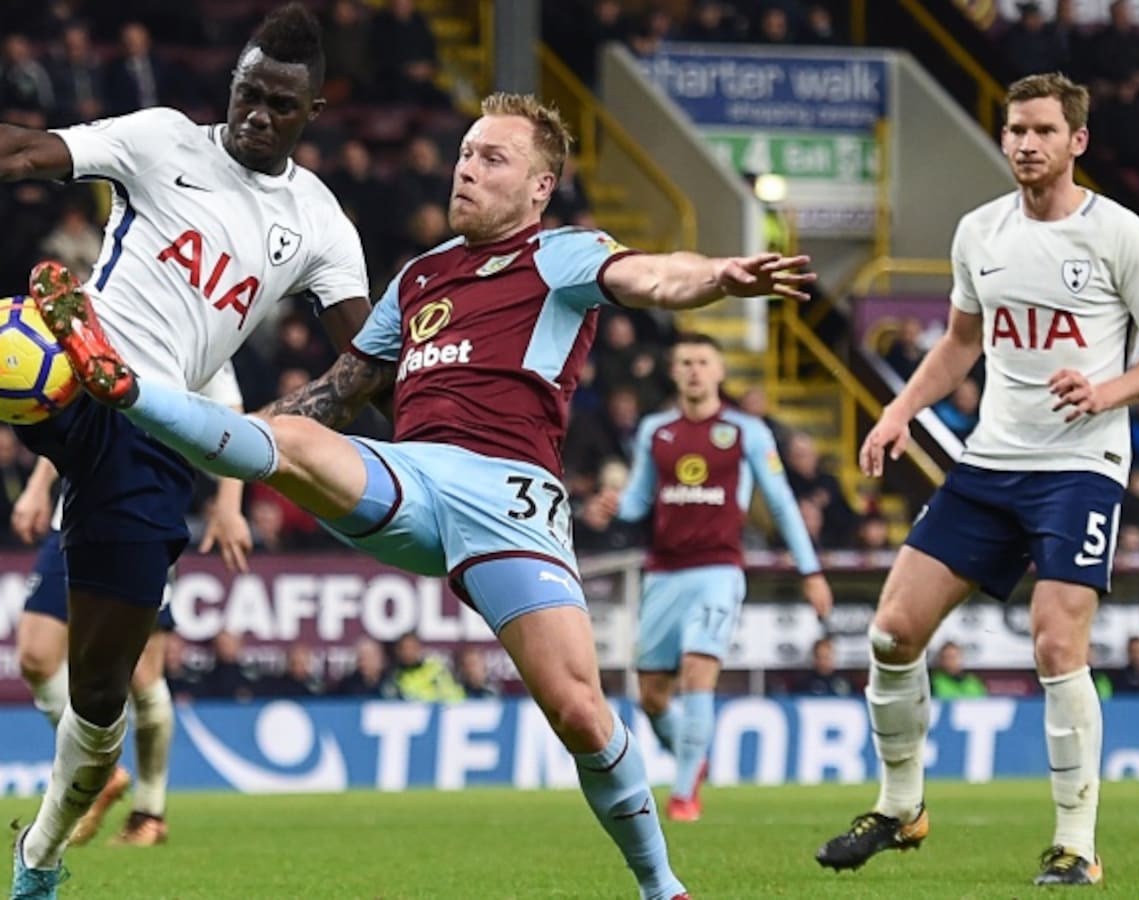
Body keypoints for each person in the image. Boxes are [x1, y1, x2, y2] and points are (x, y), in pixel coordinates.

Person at [30, 91, 819, 900]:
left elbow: (652, 275)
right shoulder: (419, 277)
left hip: (509, 502)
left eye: (492, 159)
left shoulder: (563, 254)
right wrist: (243, 443)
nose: (466, 169)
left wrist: (718, 275)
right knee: (297, 437)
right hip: (412, 479)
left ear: (540, 188)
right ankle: (126, 391)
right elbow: (336, 395)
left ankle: (661, 885)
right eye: (466, 153)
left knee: (581, 712)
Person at [2, 6, 372, 897]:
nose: (256, 114)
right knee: (16, 346)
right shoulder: (162, 138)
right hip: (71, 370)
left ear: (313, 110)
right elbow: (24, 152)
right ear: (233, 80)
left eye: (281, 104)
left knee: (98, 695)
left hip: (157, 436)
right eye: (248, 92)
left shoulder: (320, 222)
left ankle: (40, 856)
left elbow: (368, 359)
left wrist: (290, 419)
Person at [814, 72, 1139, 887]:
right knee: (891, 632)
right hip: (988, 462)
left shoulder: (1122, 236)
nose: (1025, 143)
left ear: (1076, 142)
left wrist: (1105, 392)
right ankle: (900, 806)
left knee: (1057, 644)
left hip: (1081, 467)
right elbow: (959, 343)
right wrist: (897, 413)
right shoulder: (979, 232)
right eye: (1015, 129)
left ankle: (1077, 846)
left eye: (1042, 131)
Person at [12, 364, 251, 849]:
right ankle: (101, 769)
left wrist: (229, 505)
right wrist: (39, 486)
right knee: (36, 656)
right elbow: (62, 398)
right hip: (73, 514)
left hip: (142, 512)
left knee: (142, 677)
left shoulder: (199, 326)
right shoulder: (105, 311)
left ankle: (150, 812)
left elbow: (234, 417)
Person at [602, 332, 833, 822]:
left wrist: (810, 570)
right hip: (663, 572)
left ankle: (684, 794)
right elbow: (639, 500)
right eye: (684, 361)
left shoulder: (745, 431)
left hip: (718, 570)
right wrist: (613, 506)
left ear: (720, 371)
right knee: (652, 695)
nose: (693, 370)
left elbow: (781, 502)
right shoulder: (655, 431)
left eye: (703, 362)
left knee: (698, 672)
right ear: (673, 370)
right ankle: (694, 756)